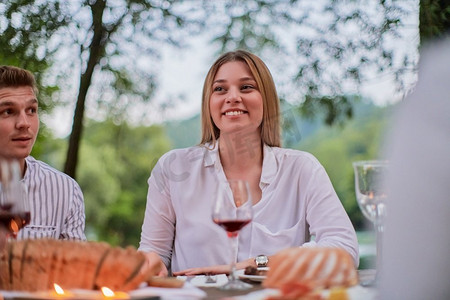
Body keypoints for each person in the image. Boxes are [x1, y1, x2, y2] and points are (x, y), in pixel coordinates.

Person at [138, 50, 358, 276]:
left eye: (246, 87)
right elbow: (154, 252)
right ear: (209, 103)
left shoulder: (302, 169)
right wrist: (148, 264)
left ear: (267, 99)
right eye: (220, 89)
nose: (232, 97)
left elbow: (345, 249)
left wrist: (260, 263)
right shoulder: (172, 167)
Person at [377, 39, 450, 299]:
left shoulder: (441, 83)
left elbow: (341, 245)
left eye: (248, 86)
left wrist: (258, 262)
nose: (239, 97)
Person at [0, 65, 86, 240]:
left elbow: (76, 266)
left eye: (31, 110)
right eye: (8, 111)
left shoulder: (65, 191)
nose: (24, 123)